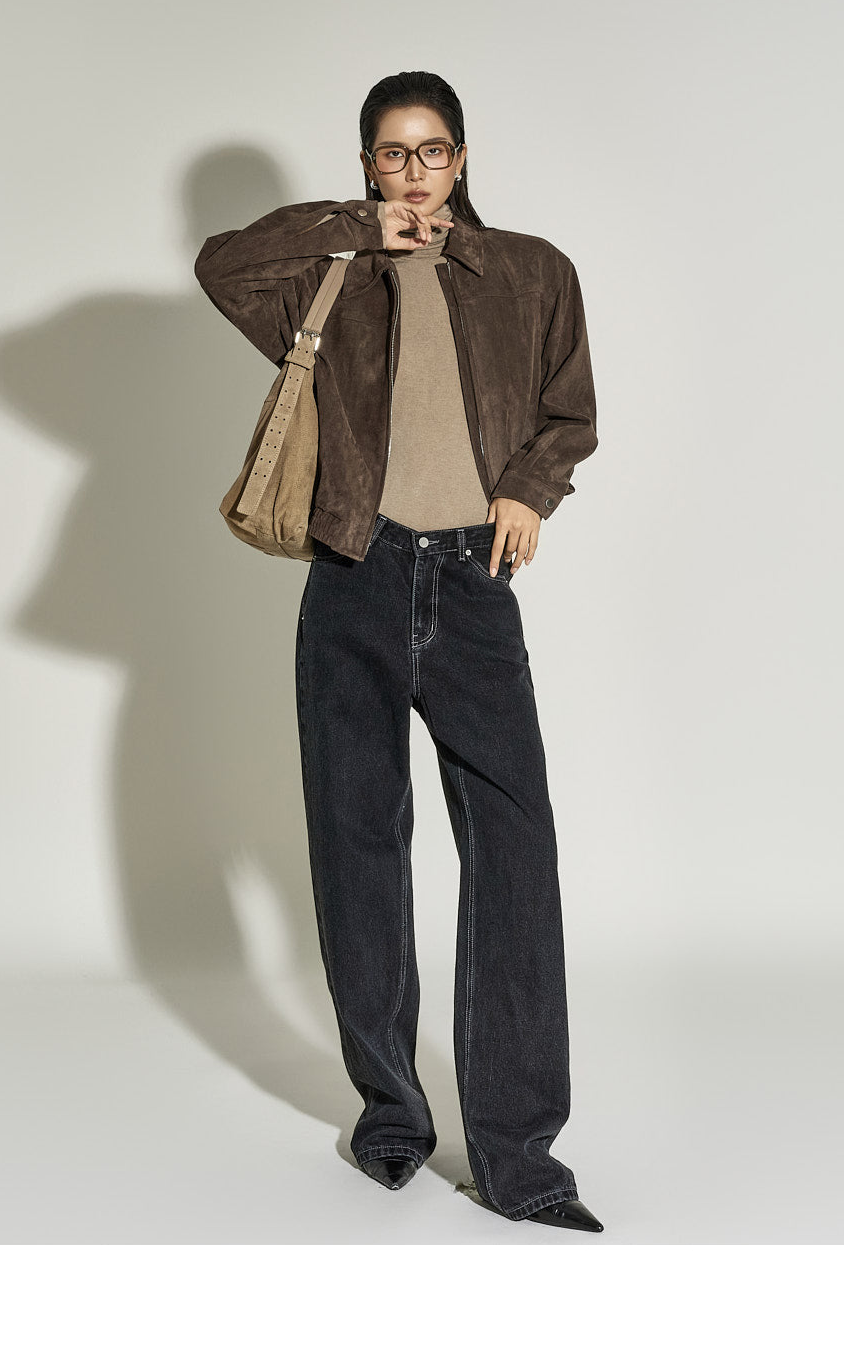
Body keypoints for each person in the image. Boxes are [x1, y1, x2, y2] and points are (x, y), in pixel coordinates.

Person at [195, 70, 603, 1232]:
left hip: (472, 586)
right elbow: (220, 264)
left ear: (461, 158)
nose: (413, 172)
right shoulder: (331, 272)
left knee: (515, 854)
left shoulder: (529, 271)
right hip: (353, 576)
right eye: (390, 153)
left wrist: (527, 490)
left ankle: (520, 1157)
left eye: (430, 151)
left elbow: (569, 410)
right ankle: (391, 1119)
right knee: (357, 850)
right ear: (367, 164)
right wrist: (353, 227)